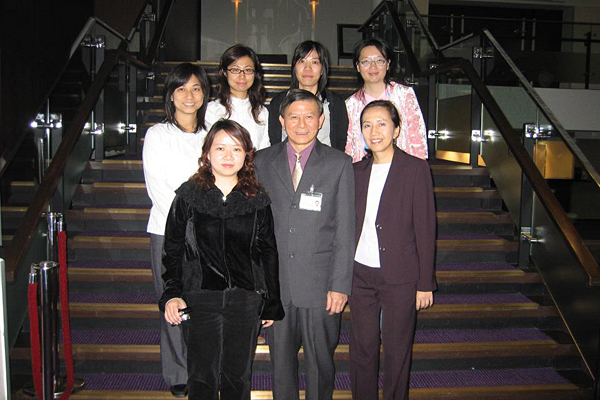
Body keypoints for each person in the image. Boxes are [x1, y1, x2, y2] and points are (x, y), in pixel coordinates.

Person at [160, 119, 285, 400]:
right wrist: (172, 293)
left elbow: (268, 251)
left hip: (245, 299)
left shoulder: (256, 198)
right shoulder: (188, 195)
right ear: (207, 153)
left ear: (246, 155)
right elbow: (172, 249)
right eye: (220, 148)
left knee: (238, 376)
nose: (228, 156)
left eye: (236, 149)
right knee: (201, 376)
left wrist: (271, 301)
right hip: (199, 297)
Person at [254, 89, 355, 400]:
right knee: (281, 365)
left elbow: (345, 229)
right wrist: (260, 286)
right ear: (281, 121)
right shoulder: (261, 161)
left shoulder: (339, 163)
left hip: (321, 285)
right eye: (294, 117)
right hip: (277, 285)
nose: (301, 124)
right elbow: (254, 229)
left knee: (321, 363)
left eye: (309, 116)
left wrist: (340, 285)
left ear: (321, 120)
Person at [349, 100, 436, 400]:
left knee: (398, 350)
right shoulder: (355, 171)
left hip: (400, 276)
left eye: (382, 123)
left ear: (396, 129)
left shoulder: (415, 169)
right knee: (362, 348)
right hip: (360, 274)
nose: (374, 131)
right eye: (367, 125)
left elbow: (426, 228)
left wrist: (425, 283)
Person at [142, 62, 210, 398]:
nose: (189, 95)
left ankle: (202, 366)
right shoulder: (157, 135)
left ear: (204, 94)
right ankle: (178, 372)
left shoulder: (211, 135)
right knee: (172, 300)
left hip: (209, 234)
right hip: (167, 232)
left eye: (196, 88)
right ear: (170, 95)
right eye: (181, 88)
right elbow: (159, 187)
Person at [345, 37, 428, 163]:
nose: (373, 67)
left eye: (379, 61)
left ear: (388, 64)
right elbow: (349, 147)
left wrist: (418, 167)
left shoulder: (404, 95)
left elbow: (417, 137)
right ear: (358, 66)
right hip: (365, 167)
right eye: (366, 61)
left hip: (402, 166)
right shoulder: (350, 104)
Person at [267, 40, 348, 151]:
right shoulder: (278, 102)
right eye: (302, 61)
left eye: (314, 62)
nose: (307, 68)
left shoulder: (335, 103)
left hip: (326, 161)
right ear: (294, 67)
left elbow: (340, 143)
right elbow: (274, 143)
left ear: (322, 69)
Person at [206, 44, 270, 150]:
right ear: (224, 72)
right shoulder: (211, 111)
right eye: (235, 70)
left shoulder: (261, 112)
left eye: (248, 70)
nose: (242, 76)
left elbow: (265, 151)